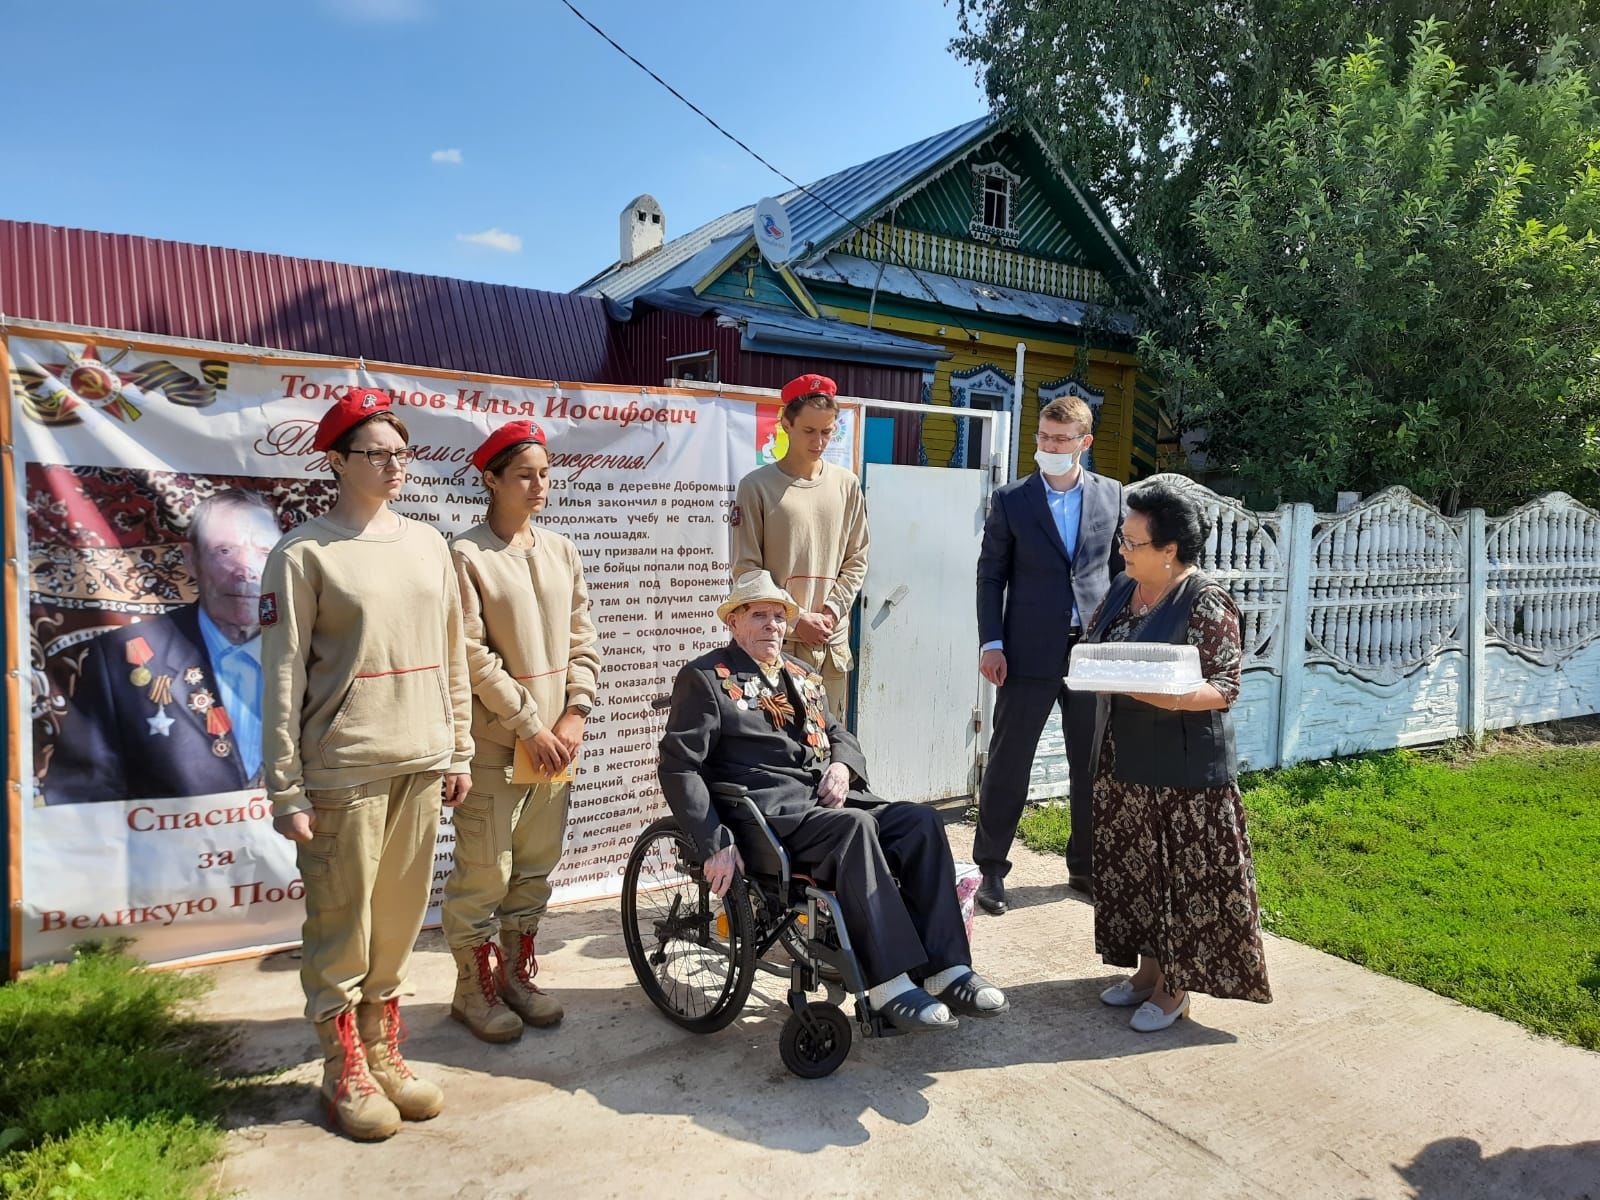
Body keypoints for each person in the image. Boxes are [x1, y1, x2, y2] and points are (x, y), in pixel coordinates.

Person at [658, 569, 1007, 1033]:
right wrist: (714, 840)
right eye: (759, 615)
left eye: (779, 616)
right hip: (768, 818)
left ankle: (948, 968)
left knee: (921, 822)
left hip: (828, 803)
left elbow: (839, 732)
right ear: (734, 622)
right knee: (856, 831)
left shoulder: (802, 673)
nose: (772, 626)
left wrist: (842, 767)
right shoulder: (706, 678)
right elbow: (679, 765)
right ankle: (888, 984)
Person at [261, 386, 474, 1141]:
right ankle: (340, 1063)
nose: (394, 465)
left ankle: (384, 1048)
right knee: (341, 926)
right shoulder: (303, 552)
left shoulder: (426, 544)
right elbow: (283, 676)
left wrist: (458, 747)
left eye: (400, 452)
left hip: (421, 759)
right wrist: (285, 786)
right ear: (336, 460)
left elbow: (452, 653)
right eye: (377, 454)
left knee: (397, 921)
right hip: (343, 767)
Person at [1082, 480, 1272, 1032]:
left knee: (1178, 880)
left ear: (1169, 551)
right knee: (1136, 872)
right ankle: (1146, 972)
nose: (1123, 550)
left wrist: (1156, 692)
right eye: (1123, 539)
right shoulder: (1125, 588)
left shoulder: (1206, 599)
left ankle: (1175, 989)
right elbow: (1097, 647)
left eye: (1134, 543)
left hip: (1185, 770)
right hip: (1125, 759)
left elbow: (1225, 687)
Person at [441, 420, 600, 1043]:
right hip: (496, 747)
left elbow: (584, 639)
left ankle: (516, 976)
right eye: (523, 475)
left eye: (544, 472)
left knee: (535, 865)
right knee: (485, 870)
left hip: (556, 746)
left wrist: (574, 712)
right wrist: (530, 724)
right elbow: (471, 655)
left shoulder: (561, 550)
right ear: (491, 481)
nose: (538, 485)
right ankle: (472, 991)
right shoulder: (466, 555)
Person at [973, 395, 1123, 914]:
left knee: (1091, 765)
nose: (1048, 447)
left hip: (1090, 654)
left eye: (1060, 440)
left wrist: (1120, 639)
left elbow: (1121, 573)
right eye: (1042, 438)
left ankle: (1084, 868)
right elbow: (991, 574)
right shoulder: (1012, 499)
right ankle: (990, 870)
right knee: (1009, 764)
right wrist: (991, 641)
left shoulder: (1112, 496)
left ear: (1084, 443)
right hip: (1024, 653)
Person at [45, 489, 280, 804]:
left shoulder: (320, 650)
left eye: (264, 552)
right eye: (224, 550)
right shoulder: (121, 654)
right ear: (190, 560)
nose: (245, 570)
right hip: (170, 850)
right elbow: (81, 794)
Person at [731, 373, 868, 717]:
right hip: (775, 642)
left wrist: (831, 612)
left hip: (830, 646)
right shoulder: (756, 487)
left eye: (827, 431)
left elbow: (857, 558)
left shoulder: (846, 484)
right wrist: (794, 619)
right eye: (809, 431)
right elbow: (747, 570)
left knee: (830, 746)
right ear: (786, 425)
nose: (819, 441)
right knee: (778, 747)